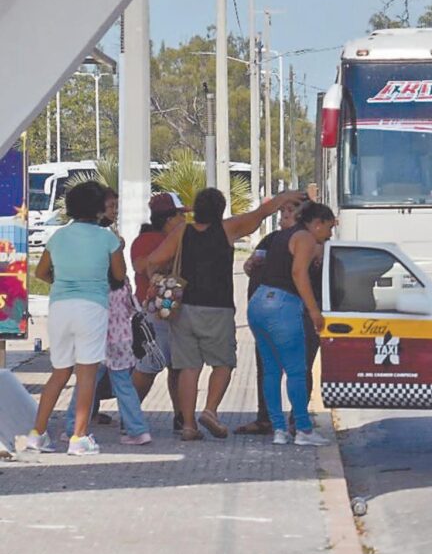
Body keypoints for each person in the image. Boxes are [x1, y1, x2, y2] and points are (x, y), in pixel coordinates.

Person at [146, 187, 305, 441]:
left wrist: (156, 278)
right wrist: (282, 199)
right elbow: (260, 213)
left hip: (184, 308)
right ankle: (210, 410)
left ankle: (188, 426)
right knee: (223, 363)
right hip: (218, 308)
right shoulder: (227, 229)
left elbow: (153, 259)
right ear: (220, 210)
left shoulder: (182, 232)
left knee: (188, 367)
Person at [25, 181, 127, 456]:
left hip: (60, 307)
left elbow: (41, 272)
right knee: (86, 375)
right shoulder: (107, 238)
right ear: (98, 209)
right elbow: (119, 275)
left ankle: (37, 434)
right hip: (91, 308)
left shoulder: (58, 236)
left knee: (59, 373)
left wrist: (63, 281)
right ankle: (79, 438)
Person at [247, 202, 335, 446]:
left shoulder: (281, 236)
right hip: (283, 306)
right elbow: (298, 273)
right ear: (317, 223)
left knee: (271, 371)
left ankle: (279, 430)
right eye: (328, 227)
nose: (329, 234)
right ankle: (303, 430)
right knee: (296, 371)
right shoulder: (305, 238)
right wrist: (314, 311)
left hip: (258, 303)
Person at [235, 198, 302, 436]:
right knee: (267, 368)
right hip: (265, 314)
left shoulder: (305, 240)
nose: (284, 214)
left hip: (293, 313)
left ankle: (298, 421)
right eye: (283, 210)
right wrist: (251, 264)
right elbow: (249, 266)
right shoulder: (271, 239)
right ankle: (266, 418)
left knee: (298, 369)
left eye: (290, 210)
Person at [65, 268, 152, 445]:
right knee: (125, 386)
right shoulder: (123, 282)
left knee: (85, 383)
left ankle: (73, 428)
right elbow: (131, 307)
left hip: (97, 340)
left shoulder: (94, 283)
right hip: (122, 340)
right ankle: (138, 430)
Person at [131, 192, 189, 430]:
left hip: (176, 309)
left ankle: (181, 415)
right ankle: (130, 414)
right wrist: (168, 256)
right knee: (149, 365)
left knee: (178, 366)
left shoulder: (179, 238)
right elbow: (142, 266)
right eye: (180, 215)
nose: (184, 220)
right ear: (168, 218)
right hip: (155, 311)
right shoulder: (149, 239)